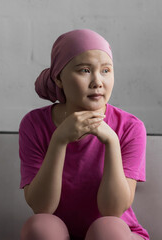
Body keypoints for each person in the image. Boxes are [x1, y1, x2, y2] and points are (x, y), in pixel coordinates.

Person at [19, 29, 149, 240]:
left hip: (115, 235)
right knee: (39, 226)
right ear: (58, 78)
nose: (98, 81)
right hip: (59, 234)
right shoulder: (34, 124)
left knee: (109, 230)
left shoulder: (130, 127)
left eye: (106, 70)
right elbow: (42, 207)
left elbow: (112, 211)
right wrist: (59, 140)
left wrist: (112, 142)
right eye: (85, 70)